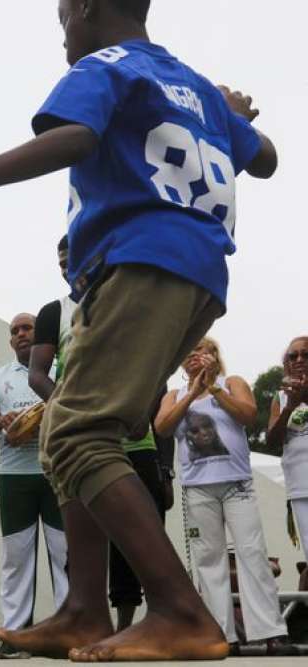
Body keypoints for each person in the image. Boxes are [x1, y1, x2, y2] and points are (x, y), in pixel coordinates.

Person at [0, 0, 277, 659]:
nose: (63, 28)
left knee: (83, 434)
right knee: (67, 432)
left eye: (62, 14)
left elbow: (75, 139)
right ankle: (85, 609)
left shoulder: (105, 65)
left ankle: (179, 610)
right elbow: (267, 160)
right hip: (193, 272)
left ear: (87, 7)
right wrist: (231, 115)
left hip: (143, 260)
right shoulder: (197, 87)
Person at [29, 235, 169, 632]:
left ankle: (127, 625)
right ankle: (86, 620)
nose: (64, 265)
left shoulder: (128, 304)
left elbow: (156, 364)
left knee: (134, 540)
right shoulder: (53, 312)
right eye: (59, 260)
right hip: (81, 439)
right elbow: (38, 374)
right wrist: (71, 411)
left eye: (71, 257)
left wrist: (142, 410)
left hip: (134, 439)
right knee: (84, 537)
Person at [154, 338, 293, 654]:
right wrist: (191, 393)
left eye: (203, 349)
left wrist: (213, 389)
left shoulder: (231, 383)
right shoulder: (175, 395)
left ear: (215, 356)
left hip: (236, 484)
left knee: (252, 553)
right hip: (198, 488)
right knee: (208, 560)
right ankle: (221, 634)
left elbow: (247, 414)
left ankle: (270, 632)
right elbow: (162, 427)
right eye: (188, 352)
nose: (196, 355)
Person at [0, 313, 67, 659]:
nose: (20, 334)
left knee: (65, 554)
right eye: (14, 331)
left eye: (26, 328)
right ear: (10, 340)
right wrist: (3, 421)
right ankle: (15, 635)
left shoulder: (62, 371)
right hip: (14, 477)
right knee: (16, 558)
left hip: (58, 472)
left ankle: (67, 630)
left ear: (40, 334)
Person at [268, 336, 308, 558]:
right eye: (293, 356)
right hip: (301, 485)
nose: (299, 359)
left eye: (305, 354)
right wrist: (289, 407)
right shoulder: (281, 397)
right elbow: (273, 441)